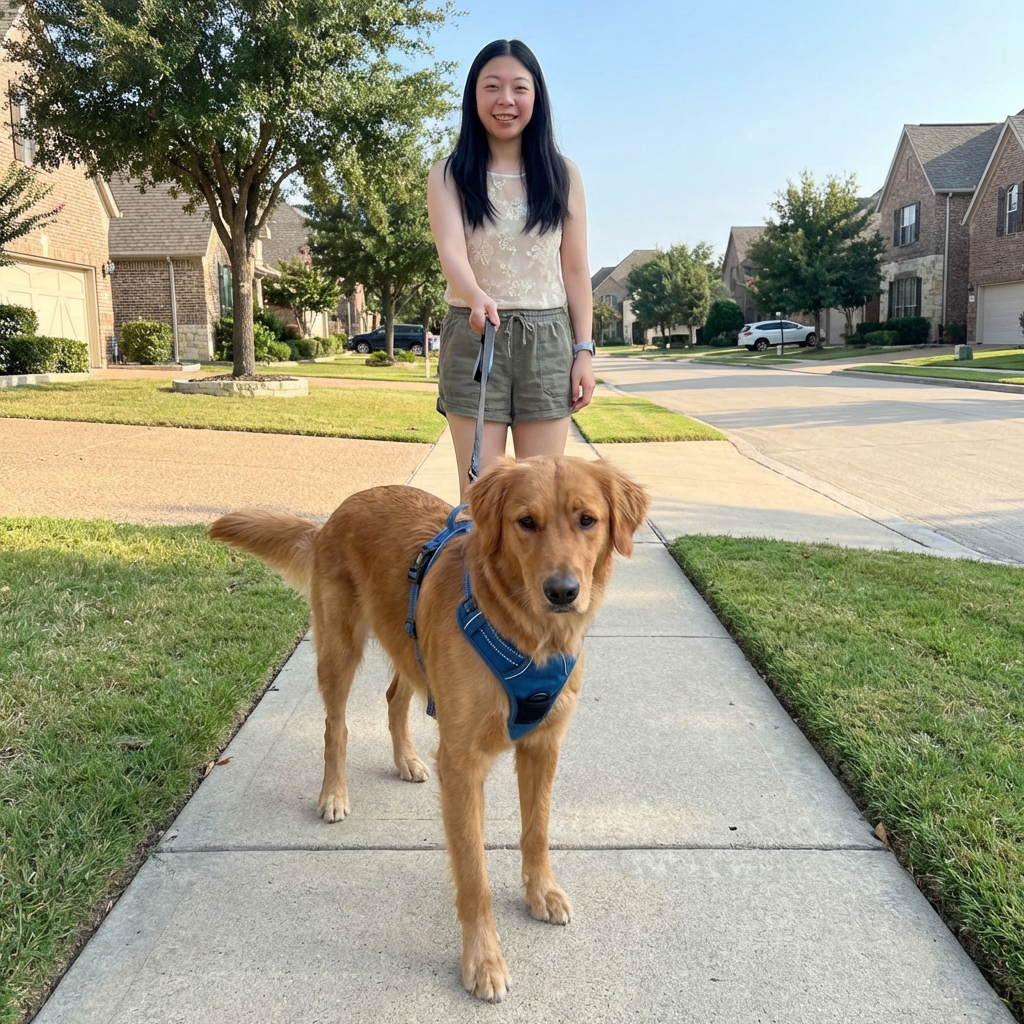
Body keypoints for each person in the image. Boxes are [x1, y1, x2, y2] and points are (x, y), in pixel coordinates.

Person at [427, 38, 595, 499]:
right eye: (492, 87)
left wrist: (585, 351)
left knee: (542, 498)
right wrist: (476, 295)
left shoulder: (563, 174)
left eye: (519, 88)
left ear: (535, 96)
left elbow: (577, 270)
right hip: (476, 335)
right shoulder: (448, 174)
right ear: (474, 96)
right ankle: (471, 576)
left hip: (548, 341)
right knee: (480, 498)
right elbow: (452, 253)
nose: (506, 100)